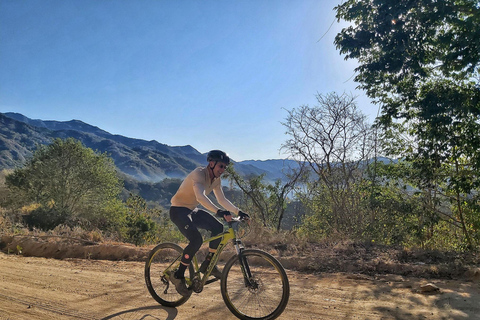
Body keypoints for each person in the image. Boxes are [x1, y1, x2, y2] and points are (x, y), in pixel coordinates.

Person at [168, 150, 250, 296]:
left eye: (225, 167)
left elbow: (222, 199)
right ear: (211, 164)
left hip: (192, 210)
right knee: (196, 240)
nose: (223, 170)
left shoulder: (216, 180)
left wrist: (239, 212)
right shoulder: (198, 174)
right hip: (178, 210)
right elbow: (200, 196)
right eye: (220, 166)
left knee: (218, 227)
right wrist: (219, 212)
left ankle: (208, 264)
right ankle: (178, 275)